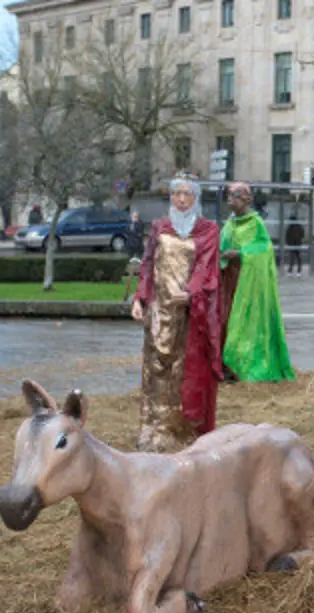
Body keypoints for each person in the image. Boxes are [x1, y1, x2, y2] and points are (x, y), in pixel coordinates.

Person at [131, 173, 223, 453]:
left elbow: (207, 266)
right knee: (157, 366)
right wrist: (140, 299)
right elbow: (148, 265)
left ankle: (182, 427)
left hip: (189, 312)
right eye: (176, 194)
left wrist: (194, 291)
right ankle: (155, 425)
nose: (181, 200)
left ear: (196, 198)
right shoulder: (160, 227)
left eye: (187, 194)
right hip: (160, 309)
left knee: (185, 370)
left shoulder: (208, 230)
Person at [219, 182, 295, 383]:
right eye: (228, 196)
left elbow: (265, 249)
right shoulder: (229, 224)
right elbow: (220, 245)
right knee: (226, 322)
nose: (230, 201)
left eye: (234, 196)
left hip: (248, 284)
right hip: (229, 283)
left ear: (245, 199)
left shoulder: (255, 223)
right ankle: (227, 366)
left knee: (246, 324)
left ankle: (245, 366)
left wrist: (241, 253)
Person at [285, 211, 305, 277]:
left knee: (292, 258)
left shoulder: (290, 227)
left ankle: (290, 270)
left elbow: (287, 236)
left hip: (292, 244)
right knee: (298, 257)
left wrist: (288, 243)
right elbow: (302, 234)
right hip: (298, 244)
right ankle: (298, 270)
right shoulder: (299, 226)